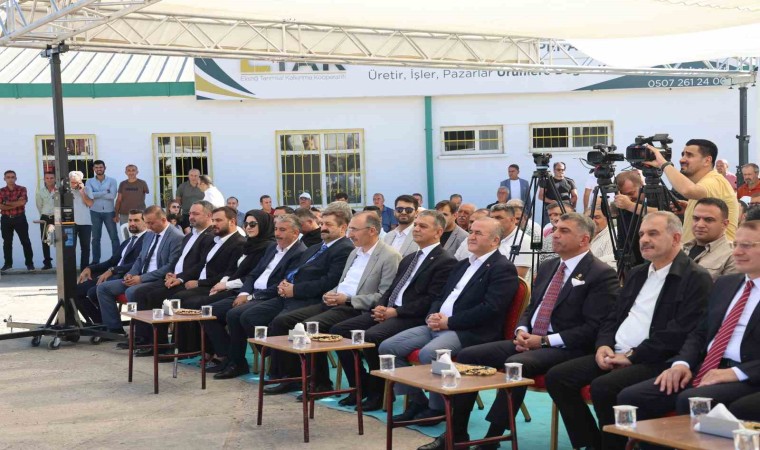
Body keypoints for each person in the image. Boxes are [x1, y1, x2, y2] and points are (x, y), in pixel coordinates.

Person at [420, 213, 619, 450]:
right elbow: (532, 308)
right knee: (468, 355)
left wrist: (544, 341)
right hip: (530, 339)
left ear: (584, 239)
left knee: (517, 364)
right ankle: (457, 434)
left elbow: (593, 328)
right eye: (556, 229)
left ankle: (492, 438)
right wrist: (522, 329)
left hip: (567, 346)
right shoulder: (548, 266)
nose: (555, 235)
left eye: (564, 231)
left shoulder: (600, 273)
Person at [545, 211, 712, 450]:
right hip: (616, 351)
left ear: (676, 238)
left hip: (654, 358)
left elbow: (679, 332)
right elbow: (613, 316)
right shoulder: (638, 273)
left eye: (653, 234)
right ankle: (593, 443)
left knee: (604, 387)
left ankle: (613, 445)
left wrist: (632, 356)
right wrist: (603, 344)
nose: (644, 240)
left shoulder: (695, 277)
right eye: (642, 234)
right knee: (558, 377)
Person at [618, 219, 760, 423]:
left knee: (692, 400)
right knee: (632, 397)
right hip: (707, 365)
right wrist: (681, 363)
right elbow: (700, 332)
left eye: (746, 245)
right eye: (735, 244)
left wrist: (736, 373)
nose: (737, 252)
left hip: (747, 373)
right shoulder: (726, 284)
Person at [381, 217, 518, 424]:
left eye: (478, 233)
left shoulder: (502, 268)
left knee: (431, 353)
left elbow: (490, 309)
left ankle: (438, 409)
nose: (471, 236)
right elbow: (440, 296)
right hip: (439, 325)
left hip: (470, 331)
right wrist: (433, 315)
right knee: (388, 347)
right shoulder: (462, 264)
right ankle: (417, 401)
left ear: (495, 241)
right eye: (471, 231)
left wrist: (449, 322)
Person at [330, 210, 458, 410]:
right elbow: (391, 289)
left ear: (438, 232)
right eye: (416, 225)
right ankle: (361, 385)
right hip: (390, 311)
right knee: (340, 331)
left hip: (411, 316)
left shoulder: (445, 261)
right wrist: (381, 306)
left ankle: (379, 391)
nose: (416, 229)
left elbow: (430, 300)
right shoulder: (410, 258)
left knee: (372, 336)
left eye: (423, 226)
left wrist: (396, 312)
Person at [265, 211, 402, 394]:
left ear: (371, 231)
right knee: (284, 321)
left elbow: (384, 296)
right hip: (336, 301)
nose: (350, 234)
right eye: (350, 229)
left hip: (356, 306)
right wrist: (330, 293)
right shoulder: (355, 252)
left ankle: (325, 383)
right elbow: (343, 282)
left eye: (354, 229)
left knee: (311, 327)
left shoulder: (389, 256)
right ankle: (292, 376)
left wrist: (348, 299)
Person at [216, 202, 354, 380]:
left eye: (328, 225)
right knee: (244, 315)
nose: (323, 228)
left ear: (343, 228)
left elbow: (328, 282)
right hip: (289, 294)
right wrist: (286, 283)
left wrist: (294, 289)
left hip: (309, 298)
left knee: (278, 322)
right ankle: (269, 363)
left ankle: (285, 373)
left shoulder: (343, 249)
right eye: (322, 224)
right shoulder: (316, 247)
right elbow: (295, 271)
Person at [207, 214, 306, 377]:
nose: (277, 234)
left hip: (270, 297)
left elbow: (282, 284)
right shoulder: (272, 247)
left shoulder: (300, 253)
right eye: (276, 229)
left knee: (236, 314)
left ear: (295, 233)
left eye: (282, 230)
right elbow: (253, 274)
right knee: (209, 311)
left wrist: (250, 298)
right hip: (251, 293)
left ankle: (241, 362)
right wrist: (245, 292)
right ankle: (226, 356)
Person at [95, 205, 184, 336]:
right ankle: (114, 330)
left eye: (151, 223)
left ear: (164, 220)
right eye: (146, 223)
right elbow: (140, 258)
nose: (148, 226)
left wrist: (141, 279)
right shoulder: (150, 234)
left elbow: (170, 266)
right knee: (103, 288)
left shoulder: (176, 237)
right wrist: (131, 274)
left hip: (157, 279)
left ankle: (140, 334)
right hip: (140, 276)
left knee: (132, 291)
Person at [644, 139, 738, 242]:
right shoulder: (703, 183)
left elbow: (688, 190)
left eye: (689, 155)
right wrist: (690, 209)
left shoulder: (715, 181)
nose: (682, 160)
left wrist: (663, 164)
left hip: (716, 251)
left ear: (707, 160)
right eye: (683, 155)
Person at [74, 209, 148, 324]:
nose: (132, 223)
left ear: (145, 222)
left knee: (93, 292)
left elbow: (137, 264)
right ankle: (100, 323)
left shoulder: (147, 240)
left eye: (136, 220)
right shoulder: (128, 241)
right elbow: (112, 261)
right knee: (75, 291)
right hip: (112, 275)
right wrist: (90, 268)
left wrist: (113, 270)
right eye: (130, 220)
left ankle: (109, 325)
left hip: (125, 277)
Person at [682, 197, 737, 280]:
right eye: (696, 218)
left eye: (708, 220)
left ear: (724, 224)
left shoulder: (733, 255)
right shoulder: (681, 249)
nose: (700, 225)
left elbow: (728, 287)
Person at [86, 160, 119, 264]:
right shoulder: (89, 181)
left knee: (114, 237)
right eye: (96, 167)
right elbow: (90, 195)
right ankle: (95, 261)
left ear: (105, 168)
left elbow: (112, 196)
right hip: (94, 211)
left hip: (109, 212)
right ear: (93, 169)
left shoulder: (112, 181)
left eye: (100, 167)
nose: (98, 169)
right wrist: (105, 192)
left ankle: (116, 260)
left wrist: (96, 193)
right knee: (95, 238)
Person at [0, 170, 35, 271]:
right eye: (8, 177)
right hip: (6, 219)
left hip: (20, 218)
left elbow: (22, 202)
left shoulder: (22, 189)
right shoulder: (1, 191)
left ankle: (29, 264)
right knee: (7, 242)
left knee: (25, 241)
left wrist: (6, 203)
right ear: (4, 179)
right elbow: (1, 206)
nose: (10, 179)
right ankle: (8, 264)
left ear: (16, 178)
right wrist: (15, 203)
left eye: (12, 177)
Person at [490, 203, 532, 279]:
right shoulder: (492, 238)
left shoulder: (524, 240)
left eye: (498, 218)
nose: (494, 221)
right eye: (492, 218)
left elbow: (518, 276)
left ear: (512, 220)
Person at [614, 170, 646, 268]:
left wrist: (630, 205)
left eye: (631, 193)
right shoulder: (623, 207)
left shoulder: (655, 197)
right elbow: (621, 237)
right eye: (623, 195)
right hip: (631, 261)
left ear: (642, 186)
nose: (628, 198)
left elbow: (660, 213)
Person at [70, 171, 94, 271]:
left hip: (85, 222)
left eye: (76, 182)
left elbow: (90, 203)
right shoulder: (66, 191)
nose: (74, 184)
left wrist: (82, 192)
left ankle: (84, 270)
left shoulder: (87, 189)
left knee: (85, 248)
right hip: (70, 223)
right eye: (72, 182)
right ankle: (70, 270)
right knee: (70, 248)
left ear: (80, 182)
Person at [35, 171, 56, 269]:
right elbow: (39, 206)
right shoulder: (40, 192)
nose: (49, 180)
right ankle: (47, 263)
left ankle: (62, 261)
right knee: (45, 240)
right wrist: (44, 215)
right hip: (45, 217)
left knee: (60, 239)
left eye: (51, 178)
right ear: (44, 180)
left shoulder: (59, 190)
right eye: (47, 178)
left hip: (57, 217)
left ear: (55, 179)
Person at [588, 200, 616, 267]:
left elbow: (610, 265)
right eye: (589, 218)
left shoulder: (612, 236)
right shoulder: (581, 236)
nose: (592, 221)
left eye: (597, 217)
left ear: (607, 219)